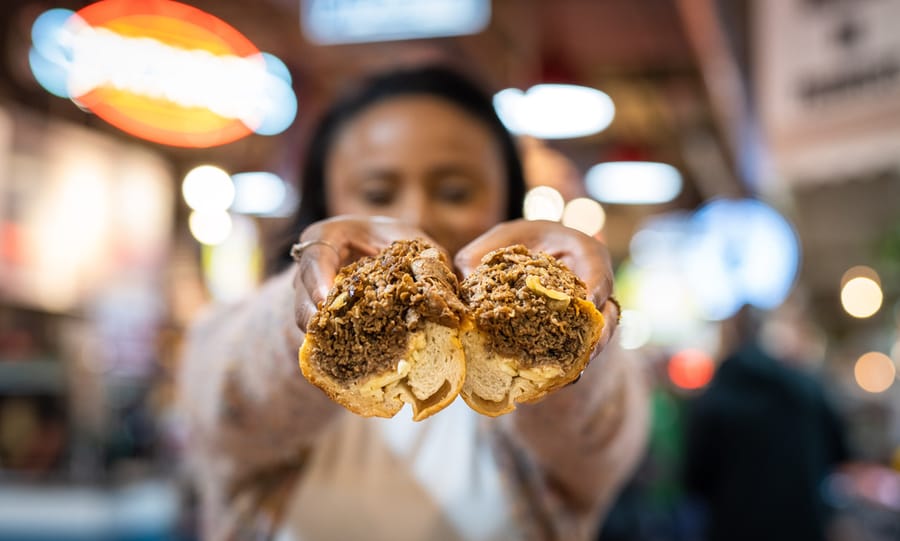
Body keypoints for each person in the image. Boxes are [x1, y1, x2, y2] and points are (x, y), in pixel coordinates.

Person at [176, 64, 649, 541]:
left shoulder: (546, 406)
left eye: (455, 191)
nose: (415, 217)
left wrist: (563, 327)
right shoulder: (249, 335)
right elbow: (222, 405)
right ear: (326, 207)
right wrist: (310, 312)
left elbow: (603, 440)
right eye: (377, 193)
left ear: (506, 200)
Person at [682, 306, 850, 541]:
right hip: (802, 526)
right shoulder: (808, 390)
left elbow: (693, 479)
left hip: (733, 529)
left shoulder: (715, 397)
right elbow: (840, 455)